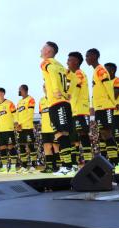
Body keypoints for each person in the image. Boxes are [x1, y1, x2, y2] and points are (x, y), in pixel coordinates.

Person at [40, 41, 74, 175]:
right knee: (61, 135)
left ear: (48, 51)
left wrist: (55, 90)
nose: (41, 50)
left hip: (57, 102)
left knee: (62, 135)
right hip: (61, 102)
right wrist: (67, 93)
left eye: (43, 48)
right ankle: (68, 166)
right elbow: (70, 79)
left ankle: (68, 167)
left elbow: (53, 73)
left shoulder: (46, 62)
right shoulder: (60, 65)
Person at [86, 48, 118, 166]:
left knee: (108, 133)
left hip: (106, 107)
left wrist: (113, 103)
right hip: (99, 107)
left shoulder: (100, 70)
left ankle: (116, 162)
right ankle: (110, 161)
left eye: (88, 56)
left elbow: (108, 87)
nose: (86, 59)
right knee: (104, 134)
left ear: (94, 56)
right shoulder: (95, 71)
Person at [66, 52, 92, 168]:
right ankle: (74, 163)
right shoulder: (73, 74)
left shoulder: (79, 73)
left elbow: (74, 92)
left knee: (83, 135)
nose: (67, 62)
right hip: (74, 110)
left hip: (80, 110)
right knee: (73, 138)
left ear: (76, 62)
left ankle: (88, 162)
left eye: (69, 60)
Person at [0, 88, 18, 172]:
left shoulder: (9, 103)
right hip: (0, 130)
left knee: (11, 147)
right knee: (2, 148)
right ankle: (4, 166)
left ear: (3, 93)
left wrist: (15, 123)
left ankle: (14, 166)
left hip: (9, 129)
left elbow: (15, 114)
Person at [39, 85, 61, 173]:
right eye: (43, 87)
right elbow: (41, 113)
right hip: (45, 128)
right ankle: (49, 167)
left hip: (54, 128)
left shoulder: (54, 98)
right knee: (46, 147)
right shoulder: (41, 100)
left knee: (56, 146)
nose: (44, 88)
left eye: (46, 86)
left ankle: (58, 167)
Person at [16, 84, 37, 173]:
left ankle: (33, 166)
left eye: (19, 90)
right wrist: (17, 123)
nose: (18, 91)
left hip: (28, 127)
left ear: (24, 90)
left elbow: (30, 114)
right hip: (20, 128)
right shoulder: (19, 102)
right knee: (21, 146)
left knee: (31, 146)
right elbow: (17, 114)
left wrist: (21, 123)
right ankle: (24, 166)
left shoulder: (31, 99)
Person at [104, 62, 119, 171]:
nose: (104, 73)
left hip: (118, 114)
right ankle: (115, 162)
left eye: (106, 71)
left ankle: (118, 162)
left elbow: (113, 96)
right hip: (111, 113)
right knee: (112, 138)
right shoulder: (105, 83)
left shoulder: (117, 81)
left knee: (118, 138)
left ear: (112, 71)